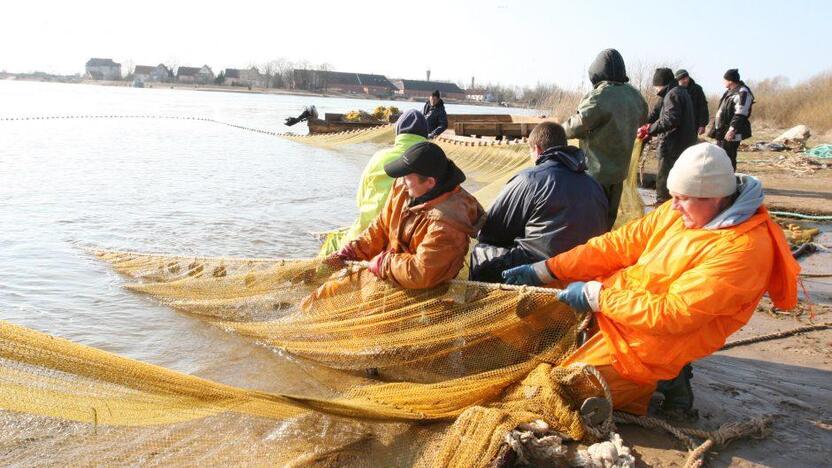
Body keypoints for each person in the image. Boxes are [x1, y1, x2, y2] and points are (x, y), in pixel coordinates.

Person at [501, 142, 799, 416]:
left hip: (654, 340)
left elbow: (674, 314)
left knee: (553, 397)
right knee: (535, 315)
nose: (675, 206)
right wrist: (547, 269)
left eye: (683, 199)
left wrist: (598, 297)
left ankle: (662, 378)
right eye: (674, 197)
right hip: (623, 306)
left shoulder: (744, 250)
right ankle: (651, 372)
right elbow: (617, 245)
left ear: (717, 197)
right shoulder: (680, 211)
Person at [306, 142, 485, 305]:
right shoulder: (404, 187)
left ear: (430, 182)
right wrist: (353, 251)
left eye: (407, 177)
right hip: (387, 273)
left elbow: (421, 272)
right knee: (318, 299)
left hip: (421, 293)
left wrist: (384, 263)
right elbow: (381, 227)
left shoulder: (449, 223)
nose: (402, 182)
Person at [469, 122, 608, 283]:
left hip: (540, 270)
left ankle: (482, 306)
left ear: (537, 149)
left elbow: (492, 232)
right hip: (584, 268)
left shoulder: (530, 179)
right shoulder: (594, 184)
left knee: (481, 252)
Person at [319, 109, 428, 255]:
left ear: (398, 133)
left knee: (333, 244)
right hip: (409, 246)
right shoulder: (434, 163)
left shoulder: (379, 157)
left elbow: (361, 200)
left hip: (365, 237)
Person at [562, 49, 648, 229]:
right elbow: (642, 118)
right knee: (608, 219)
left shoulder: (600, 96)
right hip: (619, 171)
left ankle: (588, 251)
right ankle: (604, 250)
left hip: (595, 172)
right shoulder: (635, 96)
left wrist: (556, 130)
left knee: (588, 220)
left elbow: (577, 125)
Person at [638, 68, 698, 204]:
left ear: (661, 83)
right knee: (678, 178)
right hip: (683, 143)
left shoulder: (672, 94)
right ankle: (673, 204)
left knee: (664, 178)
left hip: (672, 145)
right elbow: (661, 115)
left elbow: (670, 119)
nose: (655, 89)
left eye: (655, 86)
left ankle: (662, 204)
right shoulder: (682, 92)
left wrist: (650, 129)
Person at [709, 68, 755, 170]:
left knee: (728, 157)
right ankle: (721, 180)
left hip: (731, 131)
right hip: (722, 130)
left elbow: (741, 114)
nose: (723, 82)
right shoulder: (730, 92)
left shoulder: (743, 92)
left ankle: (729, 181)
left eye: (724, 79)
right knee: (720, 157)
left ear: (730, 81)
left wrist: (732, 129)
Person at [675, 69, 709, 136]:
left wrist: (702, 124)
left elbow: (703, 107)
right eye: (683, 79)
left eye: (686, 78)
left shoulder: (697, 89)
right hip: (678, 126)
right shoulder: (675, 91)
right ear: (678, 81)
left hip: (693, 125)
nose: (686, 80)